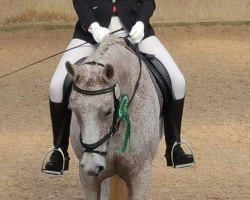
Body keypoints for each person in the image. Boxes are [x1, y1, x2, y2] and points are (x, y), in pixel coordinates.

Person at [44, 0, 194, 172]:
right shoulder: (92, 29)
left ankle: (174, 145)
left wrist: (141, 22)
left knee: (177, 80)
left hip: (136, 33)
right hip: (92, 35)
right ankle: (59, 151)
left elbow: (148, 2)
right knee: (56, 86)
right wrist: (93, 26)